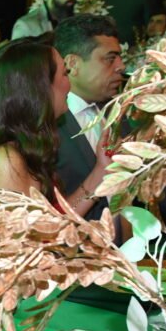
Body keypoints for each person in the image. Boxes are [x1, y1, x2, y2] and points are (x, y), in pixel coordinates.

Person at [0, 39, 108, 220]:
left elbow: (51, 222)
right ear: (39, 89)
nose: (70, 84)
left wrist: (101, 170)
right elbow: (39, 233)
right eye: (65, 73)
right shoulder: (6, 161)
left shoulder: (23, 144)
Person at [54, 14, 126, 224]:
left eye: (120, 58)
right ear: (72, 64)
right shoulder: (47, 124)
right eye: (110, 58)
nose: (121, 66)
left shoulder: (116, 112)